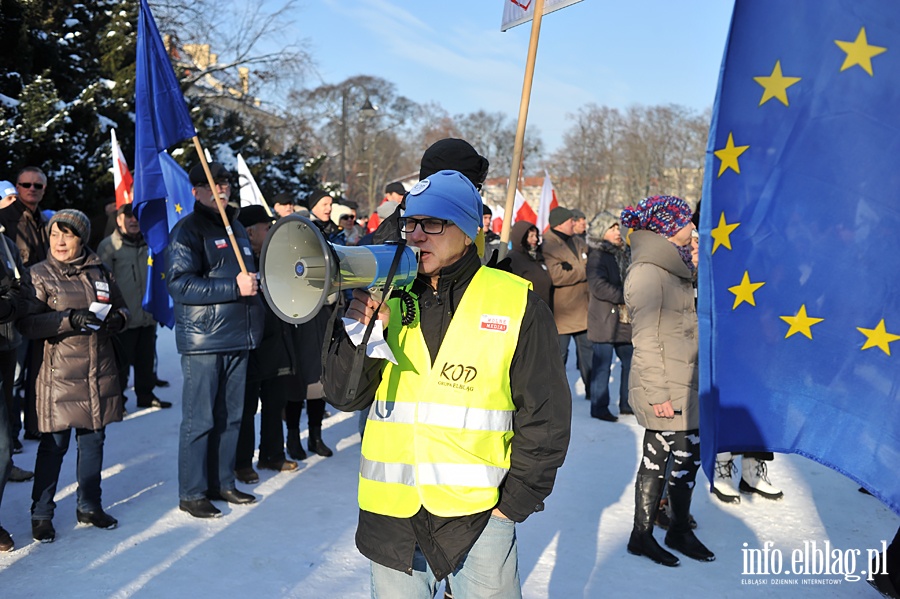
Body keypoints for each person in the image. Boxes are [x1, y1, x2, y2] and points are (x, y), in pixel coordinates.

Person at [323, 169, 571, 597]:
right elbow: (345, 397)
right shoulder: (383, 293)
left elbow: (545, 415)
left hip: (478, 516)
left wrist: (513, 505)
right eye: (411, 223)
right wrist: (362, 333)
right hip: (391, 516)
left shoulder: (515, 300)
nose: (417, 236)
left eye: (433, 224)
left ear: (468, 230)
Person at [18, 210, 128, 543]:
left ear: (82, 239)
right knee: (53, 448)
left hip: (98, 372)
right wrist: (68, 320)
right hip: (59, 377)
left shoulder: (100, 270)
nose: (61, 241)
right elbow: (27, 324)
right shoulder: (37, 275)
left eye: (68, 235)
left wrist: (118, 320)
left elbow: (122, 307)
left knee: (94, 443)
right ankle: (41, 514)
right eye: (55, 234)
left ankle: (90, 505)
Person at [166, 162, 264, 519]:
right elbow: (179, 284)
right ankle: (192, 492)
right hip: (205, 339)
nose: (221, 189)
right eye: (212, 184)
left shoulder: (235, 226)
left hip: (239, 335)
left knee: (232, 417)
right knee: (200, 419)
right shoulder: (187, 231)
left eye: (224, 183)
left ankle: (223, 481)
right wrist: (233, 287)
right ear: (196, 191)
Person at [622, 195, 714, 567]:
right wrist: (658, 393)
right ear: (666, 227)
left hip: (683, 379)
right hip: (666, 385)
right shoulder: (647, 271)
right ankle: (653, 533)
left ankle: (659, 531)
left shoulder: (673, 266)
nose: (693, 226)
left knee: (671, 458)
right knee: (674, 457)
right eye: (686, 221)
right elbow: (644, 338)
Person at [234, 206, 298, 484]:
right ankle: (241, 462)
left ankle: (272, 453)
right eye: (266, 227)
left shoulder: (275, 259)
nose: (271, 231)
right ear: (250, 232)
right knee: (247, 407)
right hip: (248, 343)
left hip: (276, 341)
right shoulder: (236, 261)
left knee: (274, 402)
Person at [97, 203, 171, 410]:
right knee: (120, 363)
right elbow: (101, 283)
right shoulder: (108, 246)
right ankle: (117, 399)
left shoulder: (152, 243)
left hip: (147, 314)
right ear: (119, 219)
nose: (133, 220)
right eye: (128, 216)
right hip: (123, 317)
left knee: (146, 360)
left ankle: (146, 394)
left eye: (137, 216)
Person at [0, 167, 51, 444]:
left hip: (39, 307)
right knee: (14, 378)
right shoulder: (4, 219)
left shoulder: (44, 220)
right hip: (13, 312)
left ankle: (33, 426)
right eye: (26, 184)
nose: (32, 189)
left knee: (37, 374)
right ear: (16, 187)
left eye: (38, 185)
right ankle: (10, 438)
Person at [0, 228, 32, 550]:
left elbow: (21, 289)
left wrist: (8, 305)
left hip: (6, 345)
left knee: (2, 445)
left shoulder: (5, 242)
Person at [586, 211, 633, 422]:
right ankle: (599, 406)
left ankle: (627, 403)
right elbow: (598, 286)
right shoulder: (597, 255)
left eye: (617, 228)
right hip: (605, 320)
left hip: (624, 320)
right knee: (603, 365)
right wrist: (625, 295)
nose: (617, 232)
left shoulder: (624, 253)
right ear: (601, 232)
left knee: (630, 362)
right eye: (612, 228)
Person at [543, 206, 592, 400]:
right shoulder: (548, 244)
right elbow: (556, 276)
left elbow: (591, 261)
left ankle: (593, 392)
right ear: (561, 223)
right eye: (571, 221)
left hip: (583, 308)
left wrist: (574, 269)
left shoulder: (577, 241)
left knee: (588, 355)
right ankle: (552, 395)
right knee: (559, 356)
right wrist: (583, 270)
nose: (575, 223)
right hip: (561, 312)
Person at [506, 220, 552, 308]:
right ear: (521, 238)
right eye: (531, 236)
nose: (535, 239)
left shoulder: (537, 256)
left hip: (543, 307)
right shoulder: (513, 259)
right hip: (526, 309)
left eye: (536, 235)